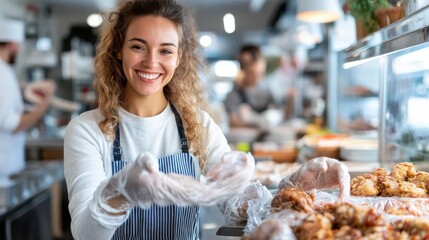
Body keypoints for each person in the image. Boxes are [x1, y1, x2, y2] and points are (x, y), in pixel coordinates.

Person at [63, 1, 350, 239]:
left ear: (179, 58)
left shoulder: (197, 125)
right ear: (118, 49)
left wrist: (292, 188)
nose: (151, 62)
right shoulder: (87, 130)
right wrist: (120, 192)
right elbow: (85, 232)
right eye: (138, 46)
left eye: (165, 50)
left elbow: (238, 203)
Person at [0, 18, 54, 177]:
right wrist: (44, 105)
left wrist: (21, 87)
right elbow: (13, 125)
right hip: (4, 169)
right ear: (13, 44)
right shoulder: (4, 74)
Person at [224, 44, 278, 128]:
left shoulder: (265, 92)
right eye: (253, 73)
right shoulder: (234, 95)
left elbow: (279, 113)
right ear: (244, 70)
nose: (257, 78)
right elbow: (232, 123)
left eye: (261, 74)